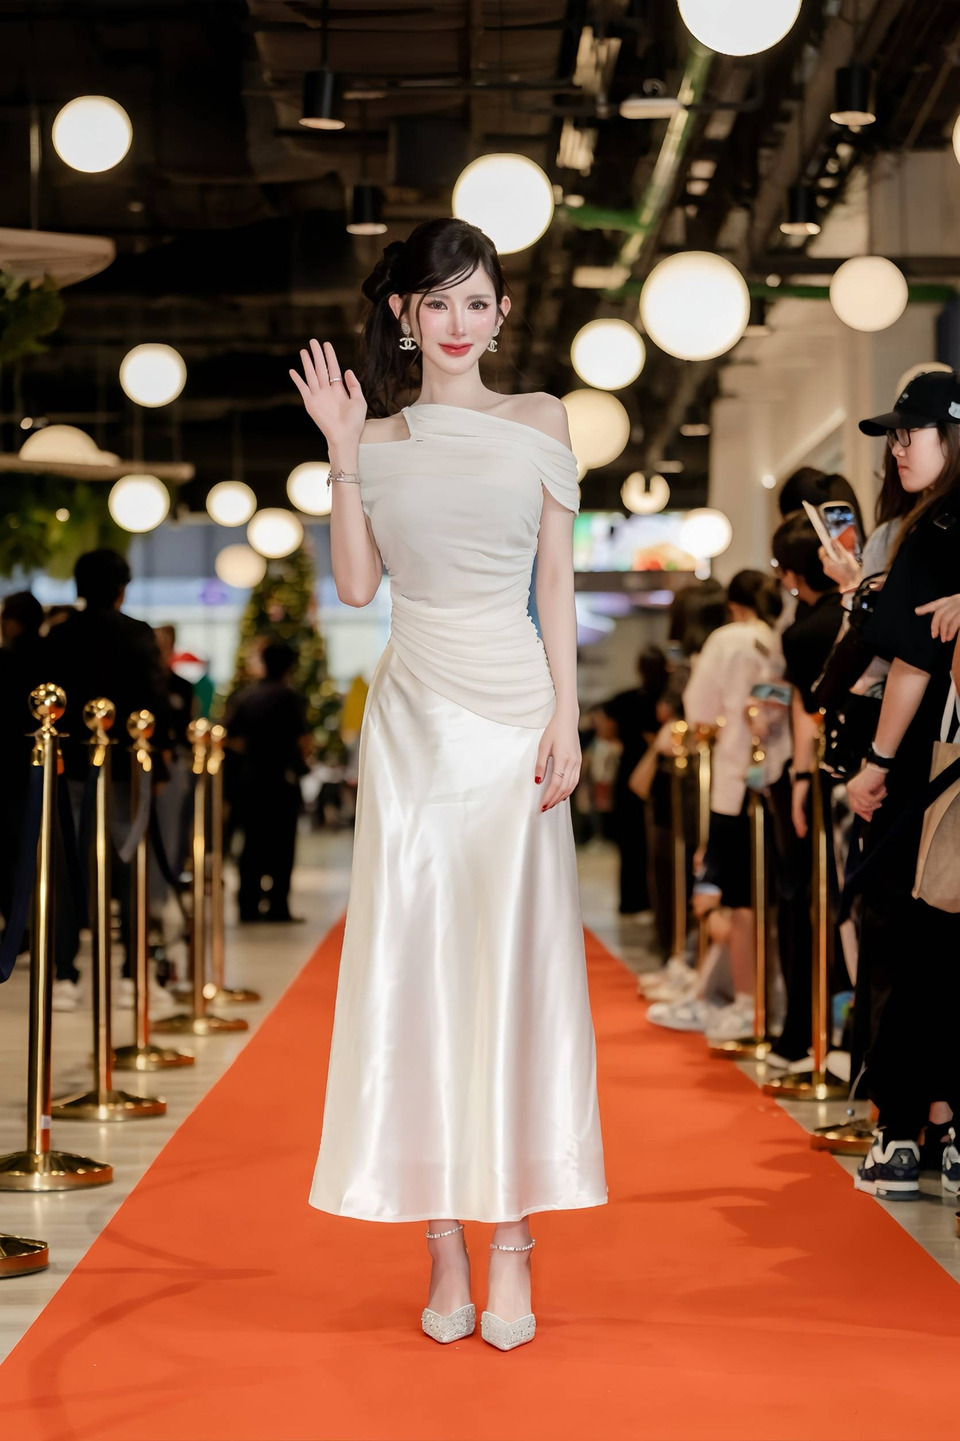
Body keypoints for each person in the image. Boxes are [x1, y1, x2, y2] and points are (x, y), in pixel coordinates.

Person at [290, 218, 607, 1352]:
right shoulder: (376, 438)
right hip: (415, 721)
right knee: (417, 964)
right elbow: (357, 584)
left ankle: (511, 1234)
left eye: (478, 301)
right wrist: (342, 447)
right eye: (439, 302)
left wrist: (568, 713)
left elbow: (556, 581)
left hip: (516, 713)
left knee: (514, 966)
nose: (460, 323)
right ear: (404, 315)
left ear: (503, 314)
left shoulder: (543, 420)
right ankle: (441, 1239)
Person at [841, 371, 960, 1200]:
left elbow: (911, 666)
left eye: (910, 434)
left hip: (929, 774)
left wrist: (876, 765)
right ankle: (946, 1128)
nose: (897, 450)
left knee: (911, 945)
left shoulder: (934, 530)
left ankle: (901, 1132)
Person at [651, 571, 787, 1038]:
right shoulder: (776, 634)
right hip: (779, 774)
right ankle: (765, 999)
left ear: (733, 605)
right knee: (770, 896)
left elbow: (699, 709)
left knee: (736, 896)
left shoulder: (729, 639)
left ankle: (745, 1002)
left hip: (734, 778)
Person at [42, 549, 170, 1013]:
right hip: (124, 771)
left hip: (69, 769)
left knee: (65, 868)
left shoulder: (58, 636)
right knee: (130, 866)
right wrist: (159, 762)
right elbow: (153, 700)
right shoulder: (137, 633)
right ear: (121, 588)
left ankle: (64, 974)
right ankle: (132, 974)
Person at [768, 513, 845, 1065]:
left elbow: (804, 713)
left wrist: (799, 780)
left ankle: (803, 1035)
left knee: (805, 903)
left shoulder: (803, 632)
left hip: (820, 773)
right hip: (862, 766)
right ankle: (835, 1038)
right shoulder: (849, 610)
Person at [225, 640, 311, 924]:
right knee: (282, 846)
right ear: (289, 667)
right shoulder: (290, 698)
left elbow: (229, 736)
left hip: (251, 780)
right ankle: (277, 905)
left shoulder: (245, 696)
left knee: (251, 844)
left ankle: (247, 905)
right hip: (282, 780)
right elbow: (303, 740)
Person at [600, 644, 667, 919]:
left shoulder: (623, 699)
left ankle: (632, 901)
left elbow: (606, 731)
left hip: (631, 774)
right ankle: (659, 901)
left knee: (630, 841)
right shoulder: (668, 700)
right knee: (659, 841)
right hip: (661, 776)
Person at [0, 592, 45, 927]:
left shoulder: (7, 661)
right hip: (47, 767)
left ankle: (16, 923)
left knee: (9, 849)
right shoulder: (53, 657)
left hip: (8, 767)